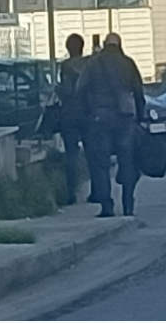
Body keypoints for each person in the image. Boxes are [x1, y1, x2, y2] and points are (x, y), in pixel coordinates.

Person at [77, 32, 145, 217]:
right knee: (128, 161)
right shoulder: (128, 63)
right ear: (119, 45)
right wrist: (141, 117)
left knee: (101, 164)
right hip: (125, 118)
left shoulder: (92, 64)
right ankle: (128, 205)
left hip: (100, 118)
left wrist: (87, 115)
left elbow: (80, 90)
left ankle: (107, 206)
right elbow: (138, 92)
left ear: (105, 45)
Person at [56, 34, 98, 205]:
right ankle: (97, 190)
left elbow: (66, 90)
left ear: (68, 48)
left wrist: (58, 90)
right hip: (88, 113)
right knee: (93, 154)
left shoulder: (66, 66)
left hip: (70, 114)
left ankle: (71, 193)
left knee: (71, 154)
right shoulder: (90, 64)